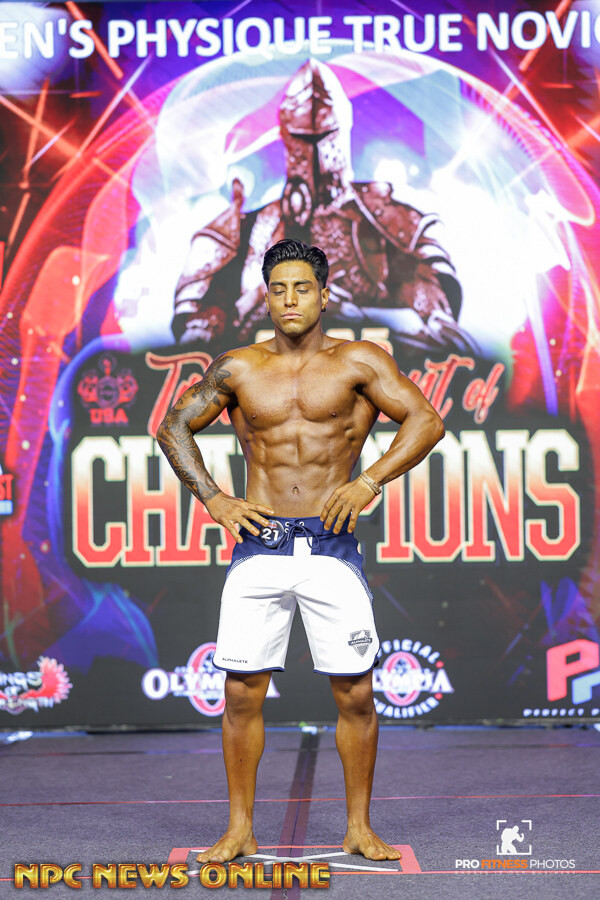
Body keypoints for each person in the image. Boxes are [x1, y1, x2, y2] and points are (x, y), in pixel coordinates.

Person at [157, 238, 445, 863]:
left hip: (330, 544)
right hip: (259, 545)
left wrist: (370, 481)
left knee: (356, 693)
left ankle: (359, 827)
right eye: (279, 289)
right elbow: (173, 425)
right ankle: (238, 829)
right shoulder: (238, 368)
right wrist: (214, 499)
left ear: (324, 295)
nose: (291, 299)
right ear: (266, 297)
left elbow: (427, 420)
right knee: (241, 693)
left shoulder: (358, 361)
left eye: (303, 288)